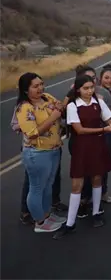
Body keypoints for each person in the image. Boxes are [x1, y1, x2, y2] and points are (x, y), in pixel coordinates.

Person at [54, 75, 111, 239]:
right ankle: (70, 223)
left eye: (91, 88)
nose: (89, 91)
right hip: (82, 147)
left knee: (97, 179)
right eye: (85, 88)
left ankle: (96, 213)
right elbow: (79, 130)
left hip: (97, 146)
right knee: (77, 184)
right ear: (78, 90)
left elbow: (109, 118)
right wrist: (104, 130)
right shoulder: (73, 106)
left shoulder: (98, 102)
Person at [15, 73, 66, 233]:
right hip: (37, 153)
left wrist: (61, 106)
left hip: (54, 149)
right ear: (26, 90)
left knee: (48, 185)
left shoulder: (47, 97)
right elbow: (32, 133)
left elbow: (59, 107)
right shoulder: (25, 108)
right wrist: (53, 117)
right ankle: (40, 221)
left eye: (41, 84)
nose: (40, 88)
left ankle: (46, 214)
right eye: (35, 86)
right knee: (37, 187)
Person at [97, 64, 111, 204]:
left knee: (104, 162)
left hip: (110, 133)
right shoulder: (94, 93)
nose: (109, 81)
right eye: (106, 78)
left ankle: (103, 192)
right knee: (95, 164)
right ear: (100, 79)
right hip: (97, 132)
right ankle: (89, 195)